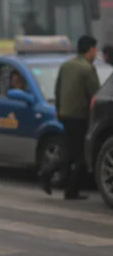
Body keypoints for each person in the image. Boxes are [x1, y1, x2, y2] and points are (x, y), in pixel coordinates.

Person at [39, 35, 101, 200]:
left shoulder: (66, 65)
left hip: (65, 115)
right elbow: (95, 96)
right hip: (79, 117)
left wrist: (59, 110)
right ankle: (54, 178)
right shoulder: (87, 69)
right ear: (91, 50)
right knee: (80, 155)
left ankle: (66, 186)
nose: (95, 53)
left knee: (71, 151)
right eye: (95, 49)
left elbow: (58, 89)